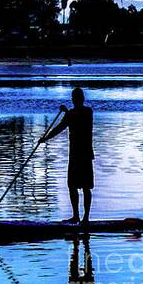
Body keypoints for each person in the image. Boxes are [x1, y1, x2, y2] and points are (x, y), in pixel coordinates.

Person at [39, 87, 94, 224]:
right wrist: (45, 138)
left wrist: (67, 112)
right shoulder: (71, 114)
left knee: (86, 187)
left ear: (80, 99)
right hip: (75, 155)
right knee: (72, 186)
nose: (75, 100)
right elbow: (59, 128)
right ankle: (76, 216)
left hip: (84, 154)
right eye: (74, 98)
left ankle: (85, 218)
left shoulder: (87, 112)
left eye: (76, 98)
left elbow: (76, 118)